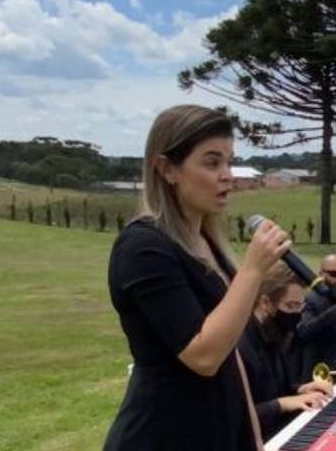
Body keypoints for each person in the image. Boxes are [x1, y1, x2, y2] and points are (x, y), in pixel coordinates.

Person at [104, 104, 291, 450]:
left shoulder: (206, 242)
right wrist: (252, 270)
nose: (228, 175)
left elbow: (233, 358)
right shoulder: (143, 249)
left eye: (229, 161)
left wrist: (253, 439)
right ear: (166, 169)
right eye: (211, 162)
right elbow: (203, 356)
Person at [239, 262, 333, 438]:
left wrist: (301, 390)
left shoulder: (275, 334)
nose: (297, 314)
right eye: (291, 306)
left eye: (300, 306)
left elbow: (275, 389)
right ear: (265, 302)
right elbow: (236, 417)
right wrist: (282, 404)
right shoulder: (240, 345)